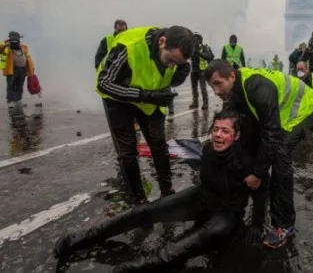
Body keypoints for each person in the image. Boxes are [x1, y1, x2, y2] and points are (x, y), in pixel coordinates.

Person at [53, 111, 267, 272]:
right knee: (144, 211)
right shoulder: (207, 149)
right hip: (200, 198)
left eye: (225, 131)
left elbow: (260, 191)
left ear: (236, 136)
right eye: (215, 129)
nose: (218, 135)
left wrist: (257, 223)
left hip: (225, 214)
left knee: (191, 242)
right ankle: (82, 238)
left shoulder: (248, 163)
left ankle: (138, 266)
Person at [205, 60, 313, 249]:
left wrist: (257, 173)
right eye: (212, 86)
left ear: (231, 76)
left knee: (280, 156)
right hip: (277, 112)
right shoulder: (235, 90)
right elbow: (231, 124)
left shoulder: (257, 88)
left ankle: (284, 225)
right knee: (249, 142)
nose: (215, 91)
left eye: (218, 83)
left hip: (302, 109)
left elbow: (271, 134)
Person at [96, 26, 193, 205]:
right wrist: (145, 96)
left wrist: (178, 77)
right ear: (162, 42)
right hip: (119, 99)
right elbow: (104, 83)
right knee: (128, 151)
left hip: (152, 98)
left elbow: (168, 76)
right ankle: (138, 198)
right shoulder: (129, 46)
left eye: (176, 63)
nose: (171, 65)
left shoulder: (176, 57)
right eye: (170, 60)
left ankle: (167, 190)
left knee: (158, 144)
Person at [1, 31, 35, 109]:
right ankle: (10, 101)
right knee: (11, 85)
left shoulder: (23, 47)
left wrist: (31, 68)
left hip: (22, 69)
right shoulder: (7, 47)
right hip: (12, 70)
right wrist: (5, 43)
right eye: (12, 38)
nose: (15, 41)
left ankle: (18, 100)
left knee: (20, 85)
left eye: (16, 38)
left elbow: (28, 57)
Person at [189, 33, 214, 110]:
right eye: (194, 39)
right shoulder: (191, 48)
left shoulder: (204, 47)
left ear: (200, 40)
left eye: (197, 39)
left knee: (203, 88)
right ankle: (195, 103)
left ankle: (205, 103)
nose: (195, 40)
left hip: (202, 70)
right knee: (194, 88)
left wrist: (199, 52)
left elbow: (208, 56)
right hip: (194, 70)